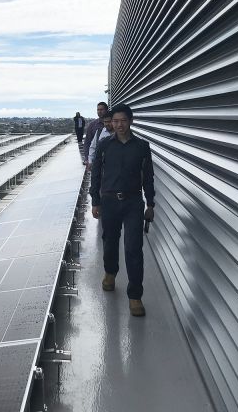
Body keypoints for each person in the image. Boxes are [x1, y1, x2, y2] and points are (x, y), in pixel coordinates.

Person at [89, 104, 155, 317]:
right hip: (109, 201)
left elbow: (148, 177)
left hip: (133, 202)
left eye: (123, 121)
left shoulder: (142, 147)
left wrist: (151, 203)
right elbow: (96, 174)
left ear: (131, 121)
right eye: (115, 121)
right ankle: (110, 272)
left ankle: (135, 295)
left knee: (133, 248)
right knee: (109, 241)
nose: (118, 125)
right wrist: (95, 201)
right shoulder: (104, 145)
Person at [83, 101, 108, 166]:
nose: (99, 111)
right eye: (98, 110)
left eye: (101, 109)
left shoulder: (113, 124)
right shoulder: (92, 125)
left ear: (106, 110)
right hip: (96, 159)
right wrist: (87, 158)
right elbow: (87, 142)